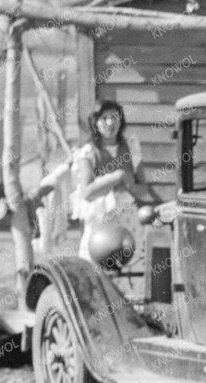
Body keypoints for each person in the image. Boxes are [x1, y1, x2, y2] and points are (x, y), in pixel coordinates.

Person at [69, 99, 169, 266]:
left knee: (130, 261)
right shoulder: (89, 152)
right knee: (97, 262)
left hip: (126, 216)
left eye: (114, 117)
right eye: (104, 118)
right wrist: (116, 177)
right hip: (100, 219)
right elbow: (87, 193)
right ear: (95, 123)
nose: (110, 123)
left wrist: (128, 184)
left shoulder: (130, 147)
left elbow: (142, 190)